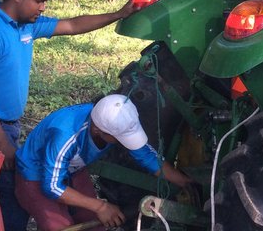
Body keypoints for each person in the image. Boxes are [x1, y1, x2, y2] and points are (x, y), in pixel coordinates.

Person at [0, 0, 140, 231]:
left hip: (5, 125)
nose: (42, 7)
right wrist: (1, 141)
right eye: (38, 0)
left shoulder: (27, 26)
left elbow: (73, 25)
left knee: (9, 196)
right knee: (3, 197)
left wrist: (119, 13)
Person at [15, 94, 195, 231]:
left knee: (95, 223)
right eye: (119, 137)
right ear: (97, 130)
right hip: (35, 174)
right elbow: (52, 186)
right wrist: (101, 205)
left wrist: (186, 183)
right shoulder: (65, 134)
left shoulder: (116, 121)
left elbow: (148, 157)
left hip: (72, 168)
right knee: (60, 226)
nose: (124, 141)